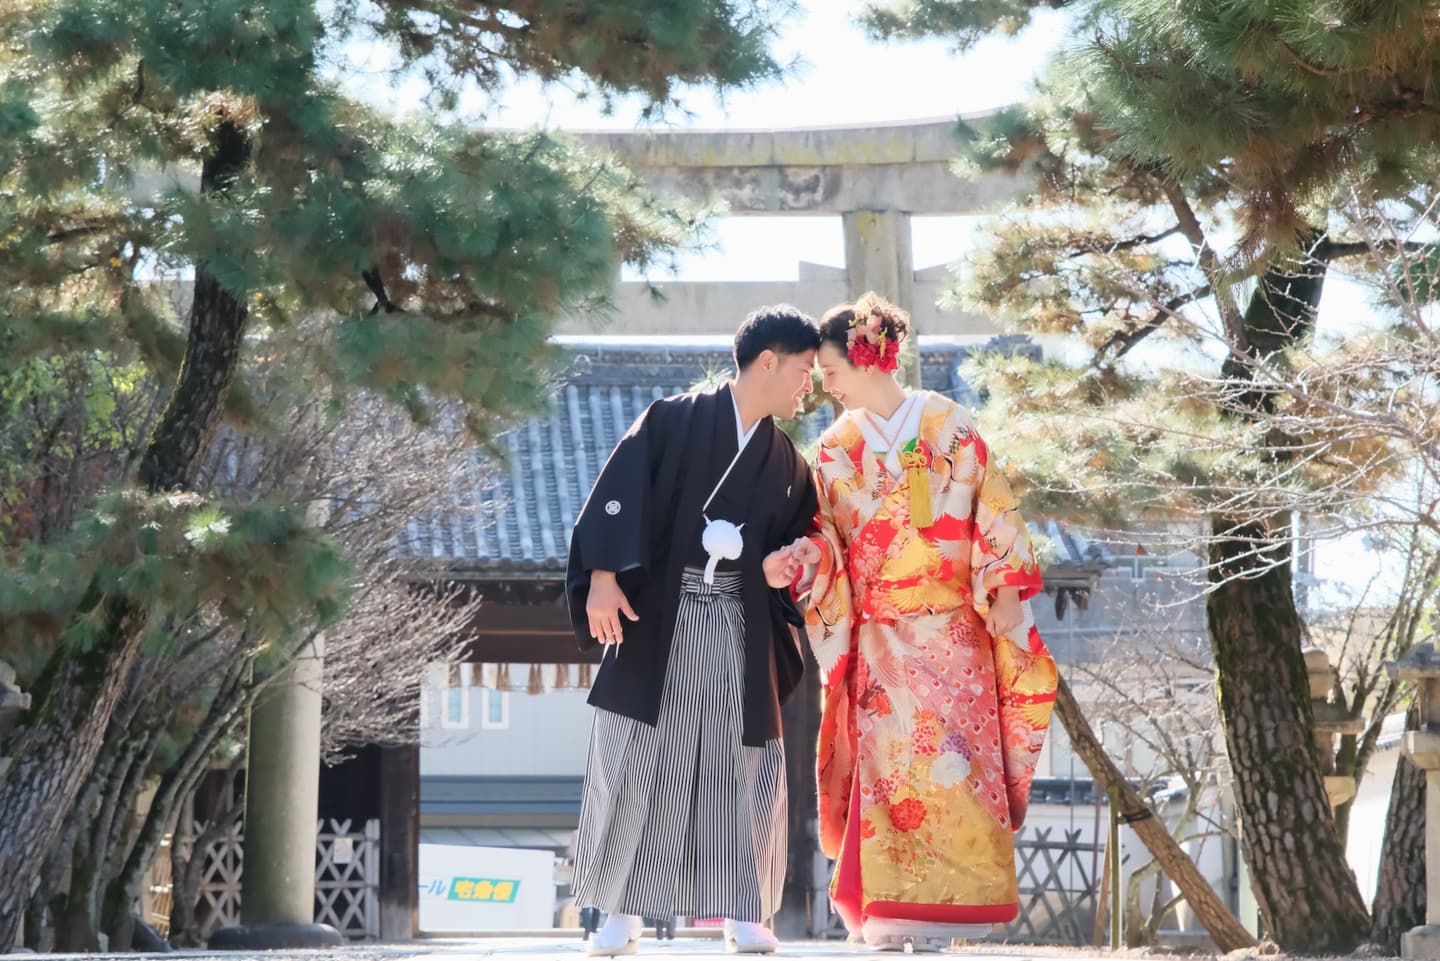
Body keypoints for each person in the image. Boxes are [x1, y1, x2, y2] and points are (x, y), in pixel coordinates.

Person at [788, 292, 1058, 953]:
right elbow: (825, 540)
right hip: (880, 637)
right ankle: (888, 912)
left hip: (954, 632)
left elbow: (991, 510)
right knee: (889, 772)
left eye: (829, 369)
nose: (825, 383)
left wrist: (1006, 589)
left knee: (956, 766)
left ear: (864, 355)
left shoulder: (948, 424)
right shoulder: (832, 450)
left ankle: (952, 909)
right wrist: (800, 559)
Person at [565, 305, 822, 957]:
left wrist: (776, 563)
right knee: (639, 759)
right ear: (768, 361)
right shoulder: (672, 420)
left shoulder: (785, 459)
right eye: (802, 370)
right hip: (662, 616)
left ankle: (743, 909)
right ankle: (620, 911)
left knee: (739, 764)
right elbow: (616, 495)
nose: (806, 386)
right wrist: (600, 575)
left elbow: (793, 538)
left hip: (739, 623)